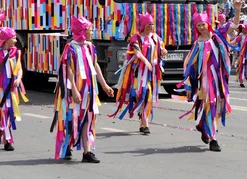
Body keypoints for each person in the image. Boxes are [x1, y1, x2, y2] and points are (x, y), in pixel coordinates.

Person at [180, 0, 241, 151]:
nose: (201, 27)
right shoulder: (197, 44)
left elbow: (234, 25)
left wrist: (237, 10)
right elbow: (189, 65)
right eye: (198, 25)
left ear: (208, 23)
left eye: (203, 24)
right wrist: (188, 86)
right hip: (205, 83)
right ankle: (213, 139)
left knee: (218, 108)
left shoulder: (218, 34)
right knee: (210, 105)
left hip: (218, 80)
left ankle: (203, 126)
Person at [51, 16, 114, 162]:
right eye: (90, 30)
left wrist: (104, 85)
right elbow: (69, 71)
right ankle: (66, 146)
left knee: (87, 118)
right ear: (82, 31)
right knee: (70, 117)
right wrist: (73, 90)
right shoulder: (70, 48)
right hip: (73, 90)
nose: (92, 32)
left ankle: (87, 152)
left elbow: (95, 65)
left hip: (88, 90)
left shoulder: (90, 47)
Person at [110, 13, 167, 134]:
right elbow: (137, 52)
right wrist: (145, 61)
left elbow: (161, 49)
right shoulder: (136, 37)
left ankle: (144, 123)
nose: (151, 27)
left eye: (152, 24)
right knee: (141, 94)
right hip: (139, 72)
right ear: (143, 25)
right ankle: (143, 120)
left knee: (148, 95)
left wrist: (163, 51)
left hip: (152, 72)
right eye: (148, 24)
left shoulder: (155, 37)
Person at [0, 27, 27, 151]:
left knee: (8, 112)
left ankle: (7, 139)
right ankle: (1, 134)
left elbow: (20, 69)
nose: (15, 40)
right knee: (0, 112)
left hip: (11, 90)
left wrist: (18, 79)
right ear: (7, 40)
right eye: (13, 38)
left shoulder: (17, 52)